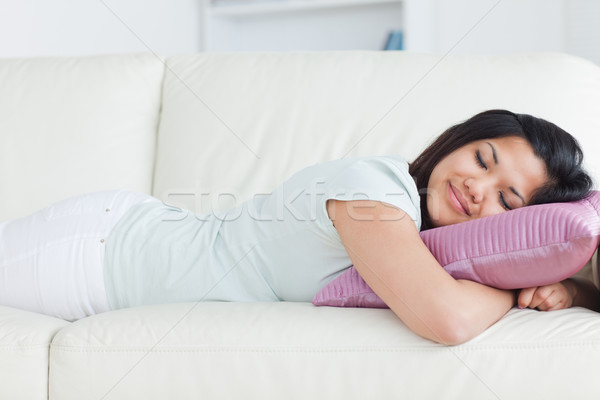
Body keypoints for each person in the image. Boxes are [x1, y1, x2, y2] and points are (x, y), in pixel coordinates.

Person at [0, 109, 596, 345]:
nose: (475, 187)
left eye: (507, 199)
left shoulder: (426, 239)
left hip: (117, 250)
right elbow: (447, 319)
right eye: (481, 159)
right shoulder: (376, 193)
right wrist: (513, 289)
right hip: (99, 252)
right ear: (457, 143)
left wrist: (564, 286)